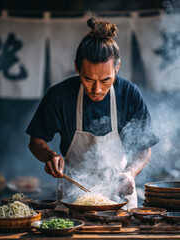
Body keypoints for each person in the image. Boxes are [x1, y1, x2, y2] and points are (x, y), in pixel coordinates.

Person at [26, 17, 159, 209]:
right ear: (76, 68)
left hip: (118, 197)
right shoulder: (59, 96)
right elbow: (36, 140)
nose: (97, 89)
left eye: (106, 80)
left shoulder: (129, 94)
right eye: (88, 79)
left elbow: (144, 148)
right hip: (73, 198)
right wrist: (50, 156)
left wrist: (130, 173)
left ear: (117, 68)